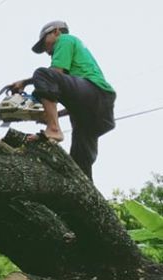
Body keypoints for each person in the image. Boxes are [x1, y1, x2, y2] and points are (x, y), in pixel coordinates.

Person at [9, 20, 115, 180]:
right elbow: (72, 97)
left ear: (56, 32)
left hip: (94, 92)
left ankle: (53, 129)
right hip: (98, 111)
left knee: (42, 74)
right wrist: (53, 113)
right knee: (80, 165)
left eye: (44, 43)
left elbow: (55, 73)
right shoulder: (75, 60)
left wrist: (24, 83)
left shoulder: (65, 39)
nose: (46, 50)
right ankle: (86, 194)